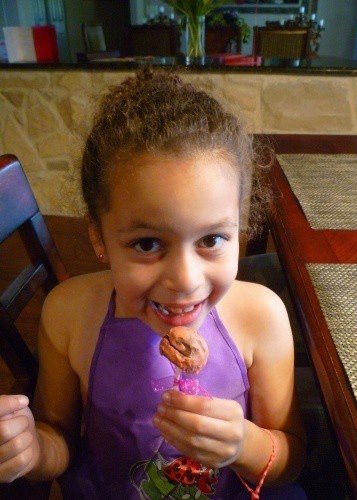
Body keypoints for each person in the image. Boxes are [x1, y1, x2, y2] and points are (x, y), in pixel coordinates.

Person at [0, 68, 307, 499]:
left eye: (212, 239)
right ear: (98, 237)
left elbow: (292, 458)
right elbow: (61, 439)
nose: (184, 280)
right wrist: (32, 450)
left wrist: (245, 444)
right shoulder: (68, 314)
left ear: (241, 228)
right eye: (147, 243)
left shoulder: (262, 317)